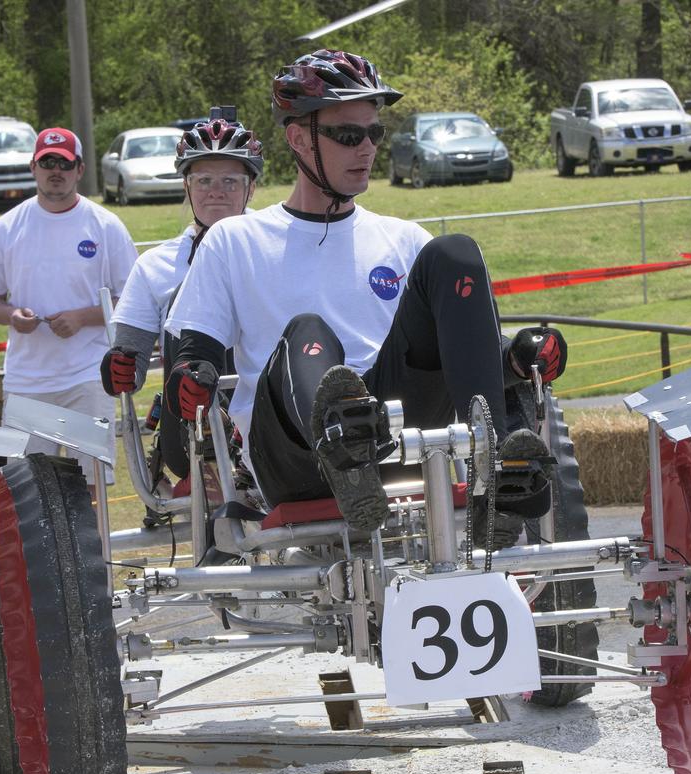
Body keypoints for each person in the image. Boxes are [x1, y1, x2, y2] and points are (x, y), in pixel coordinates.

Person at [165, 49, 567, 548]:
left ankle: (497, 464)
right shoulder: (234, 240)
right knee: (308, 332)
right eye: (349, 135)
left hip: (397, 436)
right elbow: (193, 358)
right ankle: (344, 453)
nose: (368, 149)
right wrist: (191, 380)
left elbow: (461, 354)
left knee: (456, 253)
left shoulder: (404, 239)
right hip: (291, 452)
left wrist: (518, 356)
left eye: (374, 133)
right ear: (298, 139)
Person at [100, 108, 264, 482]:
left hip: (267, 417)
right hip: (188, 427)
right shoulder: (155, 265)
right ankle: (211, 430)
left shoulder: (278, 248)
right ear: (187, 186)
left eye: (230, 181)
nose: (216, 191)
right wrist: (123, 364)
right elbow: (132, 358)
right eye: (204, 179)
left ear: (250, 187)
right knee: (183, 302)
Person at [0, 127, 138, 485]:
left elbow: (131, 300)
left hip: (88, 378)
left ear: (80, 169)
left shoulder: (106, 226)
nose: (55, 171)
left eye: (64, 162)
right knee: (28, 492)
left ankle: (92, 545)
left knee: (90, 487)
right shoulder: (7, 228)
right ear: (33, 167)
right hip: (27, 381)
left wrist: (82, 318)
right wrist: (13, 316)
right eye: (47, 162)